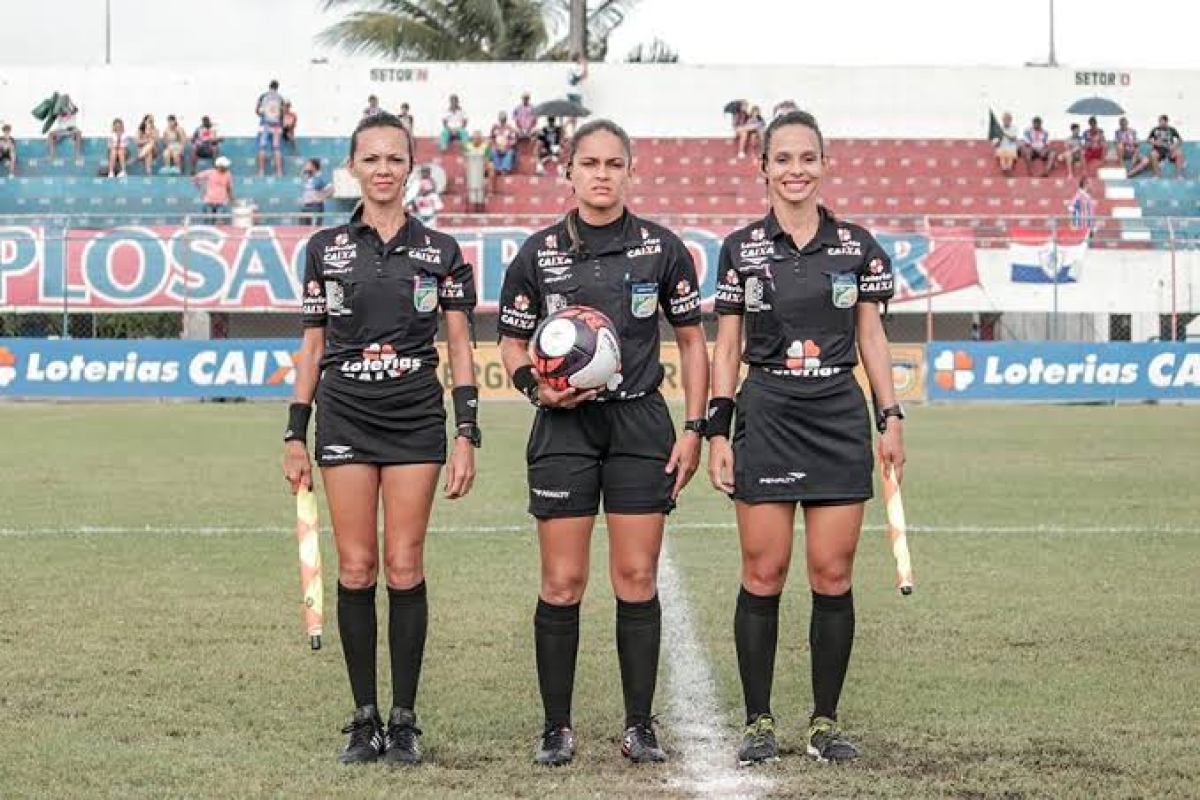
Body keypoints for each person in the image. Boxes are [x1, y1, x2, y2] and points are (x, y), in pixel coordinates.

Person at [497, 119, 709, 767]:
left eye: (614, 163)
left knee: (637, 577)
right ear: (569, 171)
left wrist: (696, 427)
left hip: (640, 424)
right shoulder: (538, 253)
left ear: (629, 170)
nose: (601, 174)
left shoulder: (662, 249)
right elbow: (511, 341)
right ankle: (556, 727)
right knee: (562, 581)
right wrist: (538, 388)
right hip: (563, 426)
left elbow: (694, 342)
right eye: (589, 162)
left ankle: (639, 726)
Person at [707, 110, 905, 767]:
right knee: (763, 572)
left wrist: (890, 415)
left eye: (807, 158)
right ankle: (759, 721)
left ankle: (824, 723)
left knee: (832, 572)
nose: (795, 170)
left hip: (837, 416)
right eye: (783, 158)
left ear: (825, 165)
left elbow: (872, 336)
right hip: (765, 413)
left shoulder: (858, 246)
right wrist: (718, 430)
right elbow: (727, 344)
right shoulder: (739, 248)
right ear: (762, 167)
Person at [283, 111, 479, 767]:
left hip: (416, 419)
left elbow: (458, 345)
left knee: (404, 565)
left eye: (395, 158)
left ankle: (404, 720)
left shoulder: (442, 251)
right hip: (344, 416)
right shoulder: (325, 249)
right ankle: (364, 719)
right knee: (357, 566)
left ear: (411, 168)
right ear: (354, 168)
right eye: (372, 159)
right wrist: (294, 432)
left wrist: (467, 431)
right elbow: (312, 346)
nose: (384, 169)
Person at [255, 79, 286, 177]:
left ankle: (261, 171)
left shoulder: (263, 96)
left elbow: (257, 110)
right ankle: (279, 172)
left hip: (265, 125)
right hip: (276, 125)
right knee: (277, 148)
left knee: (262, 148)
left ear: (269, 86)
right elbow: (283, 113)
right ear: (277, 87)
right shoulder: (280, 98)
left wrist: (262, 115)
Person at [194, 155, 234, 222]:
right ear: (219, 166)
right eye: (224, 166)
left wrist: (232, 199)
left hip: (221, 201)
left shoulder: (228, 174)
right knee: (208, 220)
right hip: (209, 200)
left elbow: (229, 188)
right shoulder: (210, 172)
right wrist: (199, 186)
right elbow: (196, 177)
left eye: (226, 166)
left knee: (219, 221)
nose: (226, 168)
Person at [300, 158, 334, 226]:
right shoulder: (308, 177)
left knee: (314, 229)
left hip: (315, 207)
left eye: (308, 165)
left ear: (313, 166)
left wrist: (321, 197)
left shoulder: (319, 178)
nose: (306, 166)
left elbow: (331, 189)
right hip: (306, 206)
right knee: (304, 228)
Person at [47, 95, 82, 160]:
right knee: (50, 134)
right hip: (61, 130)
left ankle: (77, 155)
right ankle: (52, 155)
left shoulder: (73, 109)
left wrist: (69, 99)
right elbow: (55, 112)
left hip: (71, 128)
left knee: (79, 132)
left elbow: (74, 109)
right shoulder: (58, 110)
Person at [489, 111, 518, 177]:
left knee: (510, 152)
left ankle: (504, 170)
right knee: (493, 151)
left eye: (504, 119)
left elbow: (514, 140)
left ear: (506, 119)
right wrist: (496, 146)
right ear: (499, 119)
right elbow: (491, 139)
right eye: (501, 119)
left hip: (507, 148)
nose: (502, 121)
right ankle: (498, 169)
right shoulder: (495, 127)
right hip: (497, 147)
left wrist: (507, 146)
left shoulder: (510, 127)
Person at [992, 111, 1020, 176]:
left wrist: (1004, 134)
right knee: (1001, 154)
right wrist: (1000, 138)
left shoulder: (1014, 128)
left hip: (1011, 147)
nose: (1006, 121)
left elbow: (1013, 139)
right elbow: (995, 144)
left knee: (1011, 153)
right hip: (1001, 147)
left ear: (1011, 120)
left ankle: (1008, 169)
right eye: (1005, 119)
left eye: (1008, 119)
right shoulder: (998, 129)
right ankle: (1004, 169)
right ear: (1002, 120)